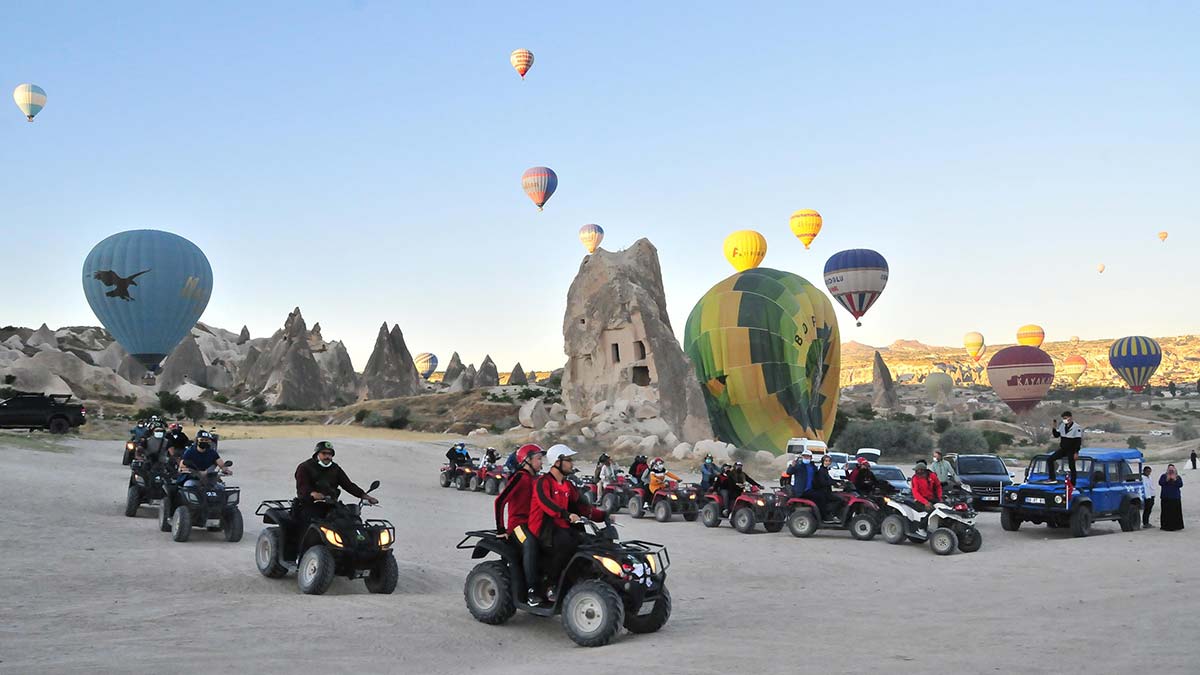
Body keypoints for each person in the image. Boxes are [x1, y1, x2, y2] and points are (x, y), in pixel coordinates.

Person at [529, 445, 607, 602]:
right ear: (557, 462)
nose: (572, 463)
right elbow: (547, 504)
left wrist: (604, 516)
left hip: (562, 526)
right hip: (544, 528)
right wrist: (567, 514)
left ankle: (582, 581)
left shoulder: (567, 485)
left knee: (591, 542)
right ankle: (550, 585)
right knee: (567, 543)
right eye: (569, 460)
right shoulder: (543, 482)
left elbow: (582, 507)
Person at [493, 443, 545, 605]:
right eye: (538, 459)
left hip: (533, 523)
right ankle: (531, 590)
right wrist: (501, 529)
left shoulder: (536, 479)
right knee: (530, 543)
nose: (541, 463)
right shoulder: (520, 477)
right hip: (518, 525)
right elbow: (500, 501)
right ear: (526, 460)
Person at [293, 441, 378, 527]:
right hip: (309, 505)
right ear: (317, 454)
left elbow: (348, 485)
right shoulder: (305, 467)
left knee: (349, 520)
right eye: (324, 453)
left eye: (330, 454)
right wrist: (313, 494)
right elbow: (303, 486)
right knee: (312, 526)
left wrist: (365, 496)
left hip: (331, 505)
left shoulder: (335, 468)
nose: (327, 456)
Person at [1048, 411, 1083, 484]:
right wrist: (1054, 428)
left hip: (1071, 449)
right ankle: (1052, 478)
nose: (1064, 420)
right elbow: (1056, 435)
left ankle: (1073, 483)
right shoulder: (1062, 425)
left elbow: (1078, 441)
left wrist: (1076, 452)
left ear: (1070, 418)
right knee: (1050, 459)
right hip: (1063, 448)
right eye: (1063, 419)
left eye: (1065, 418)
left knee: (1071, 466)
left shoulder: (1076, 427)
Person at [1158, 464, 1184, 531]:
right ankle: (1165, 526)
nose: (1171, 471)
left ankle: (1177, 526)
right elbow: (1160, 483)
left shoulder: (1178, 477)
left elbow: (1180, 484)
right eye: (1170, 469)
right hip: (1166, 497)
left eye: (1172, 469)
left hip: (1175, 497)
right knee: (1166, 512)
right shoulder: (1163, 476)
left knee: (1176, 512)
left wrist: (1174, 479)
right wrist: (1167, 479)